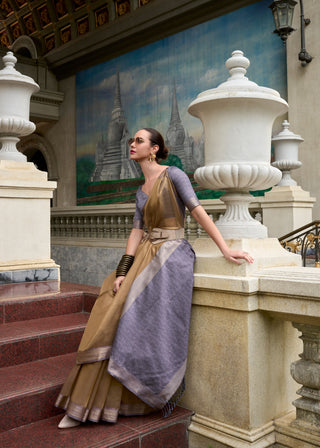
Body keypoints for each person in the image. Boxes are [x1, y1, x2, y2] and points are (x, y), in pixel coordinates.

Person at [56, 128, 254, 429]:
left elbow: (198, 212)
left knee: (132, 320)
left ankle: (127, 397)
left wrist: (225, 249)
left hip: (173, 255)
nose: (131, 144)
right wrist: (122, 272)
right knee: (110, 308)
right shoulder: (140, 190)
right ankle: (87, 404)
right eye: (131, 140)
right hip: (146, 254)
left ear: (154, 148)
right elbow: (136, 231)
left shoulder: (173, 174)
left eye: (138, 140)